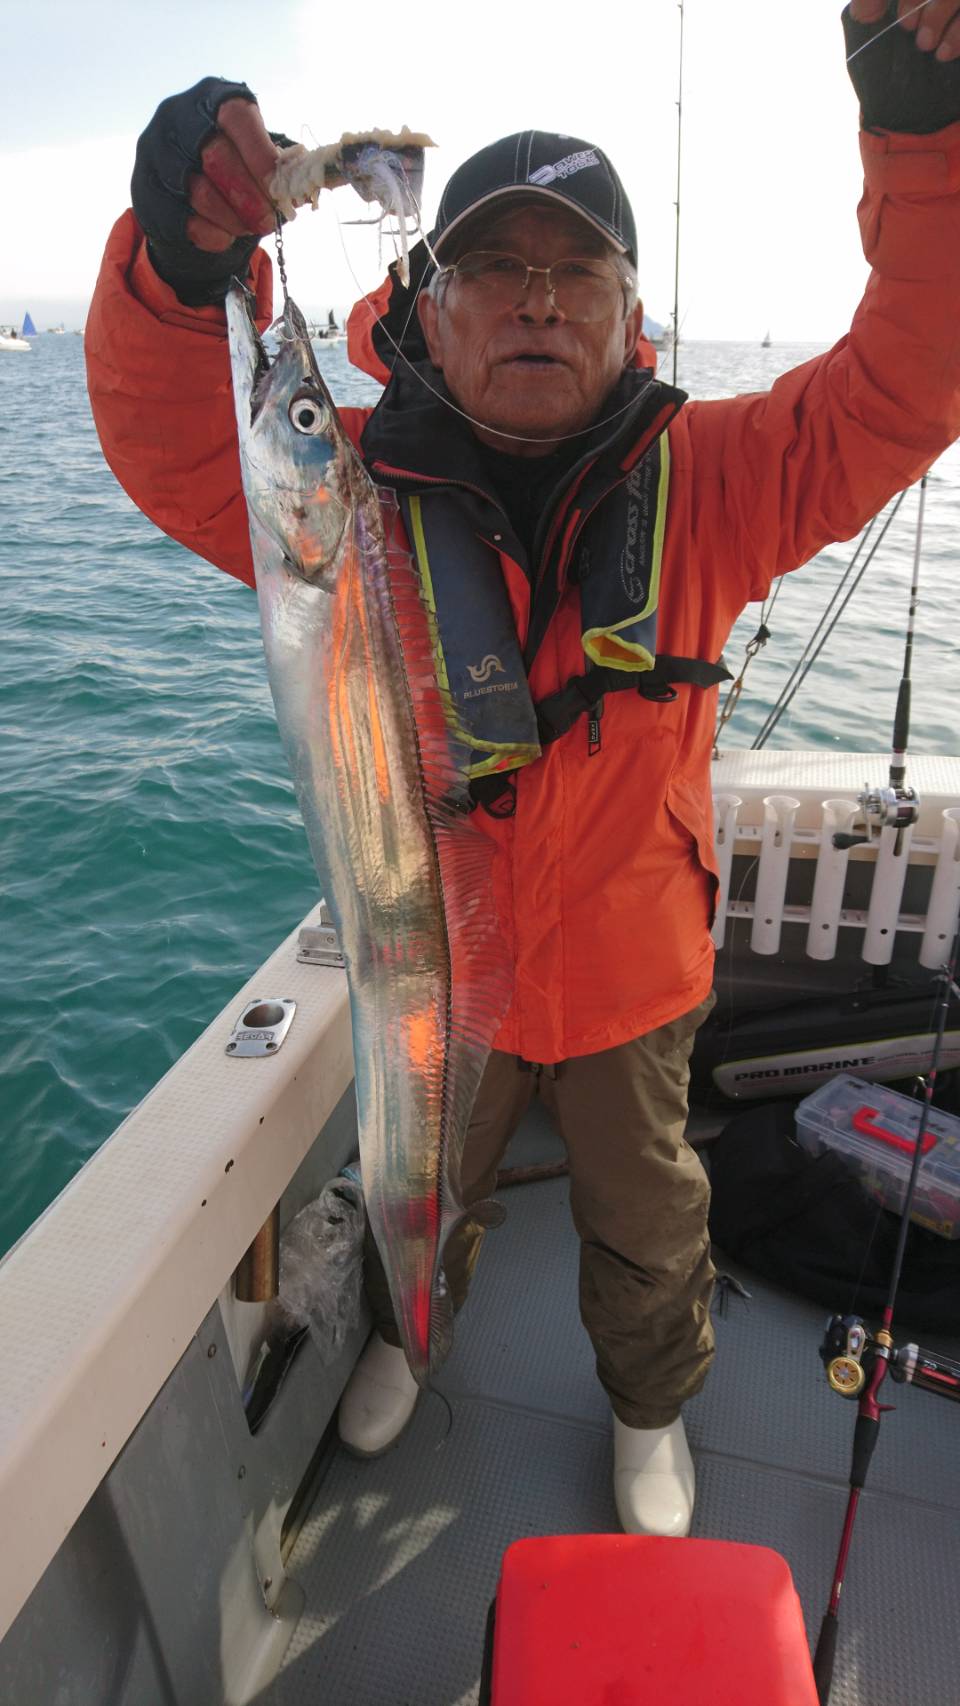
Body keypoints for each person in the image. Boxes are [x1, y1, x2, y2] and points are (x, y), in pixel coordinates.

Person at [85, 2, 960, 1537]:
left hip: (637, 975)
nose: (538, 300)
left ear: (633, 316)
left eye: (578, 271)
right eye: (496, 267)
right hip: (432, 976)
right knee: (424, 1184)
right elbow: (176, 449)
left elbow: (910, 378)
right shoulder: (346, 495)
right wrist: (174, 269)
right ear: (428, 311)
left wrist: (926, 134)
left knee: (649, 1216)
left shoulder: (722, 481)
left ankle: (649, 1405)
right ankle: (412, 1334)